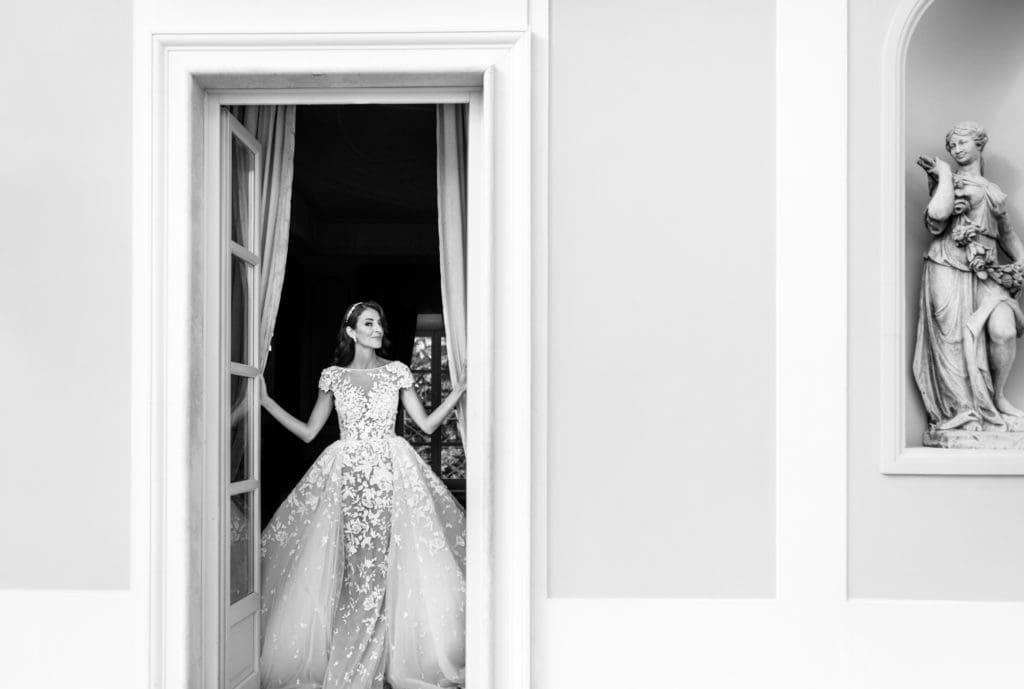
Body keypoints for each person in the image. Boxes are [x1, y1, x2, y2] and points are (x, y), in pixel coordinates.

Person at [258, 300, 467, 689]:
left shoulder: (397, 371)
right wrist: (267, 402)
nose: (377, 328)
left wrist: (459, 391)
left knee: (388, 563)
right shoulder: (334, 377)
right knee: (358, 570)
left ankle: (385, 660)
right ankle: (355, 658)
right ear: (351, 331)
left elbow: (424, 425)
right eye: (369, 323)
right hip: (350, 475)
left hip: (390, 473)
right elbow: (309, 432)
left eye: (379, 323)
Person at [914, 122, 1024, 433]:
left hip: (986, 269)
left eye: (962, 142)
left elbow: (1007, 235)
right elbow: (937, 217)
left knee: (1003, 330)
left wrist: (1021, 261)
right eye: (952, 146)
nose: (957, 149)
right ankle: (963, 411)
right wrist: (944, 175)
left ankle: (997, 398)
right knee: (953, 340)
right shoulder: (947, 181)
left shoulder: (993, 191)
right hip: (948, 263)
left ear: (979, 144)